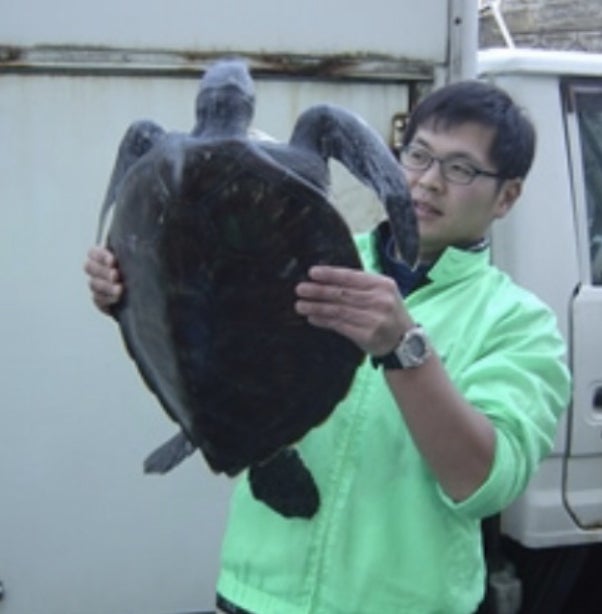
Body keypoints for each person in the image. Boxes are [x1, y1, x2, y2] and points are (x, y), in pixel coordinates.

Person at [84, 80, 571, 614]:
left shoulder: (520, 323)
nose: (429, 181)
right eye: (419, 155)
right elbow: (210, 318)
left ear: (507, 196)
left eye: (461, 169)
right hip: (256, 593)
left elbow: (482, 483)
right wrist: (131, 287)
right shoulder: (305, 257)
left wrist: (405, 349)